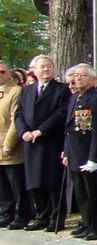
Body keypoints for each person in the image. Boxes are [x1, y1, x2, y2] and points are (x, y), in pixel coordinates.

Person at [15, 55, 71, 232]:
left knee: (51, 182)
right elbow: (19, 114)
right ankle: (42, 216)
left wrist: (41, 131)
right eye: (42, 67)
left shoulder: (61, 90)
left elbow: (61, 113)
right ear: (34, 70)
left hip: (50, 141)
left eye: (49, 66)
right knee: (34, 182)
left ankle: (56, 218)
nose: (46, 69)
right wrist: (23, 131)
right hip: (30, 143)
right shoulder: (27, 91)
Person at [62, 65, 97, 240]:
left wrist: (95, 157)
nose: (77, 79)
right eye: (76, 76)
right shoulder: (75, 98)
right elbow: (70, 128)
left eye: (82, 76)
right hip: (76, 152)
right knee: (82, 193)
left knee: (95, 193)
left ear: (93, 79)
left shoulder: (96, 99)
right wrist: (67, 151)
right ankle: (87, 222)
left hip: (90, 154)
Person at [0, 61, 33, 229]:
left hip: (10, 146)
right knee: (3, 184)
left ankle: (23, 214)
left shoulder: (16, 91)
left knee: (16, 183)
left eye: (2, 71)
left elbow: (15, 120)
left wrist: (9, 143)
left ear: (8, 73)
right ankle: (7, 213)